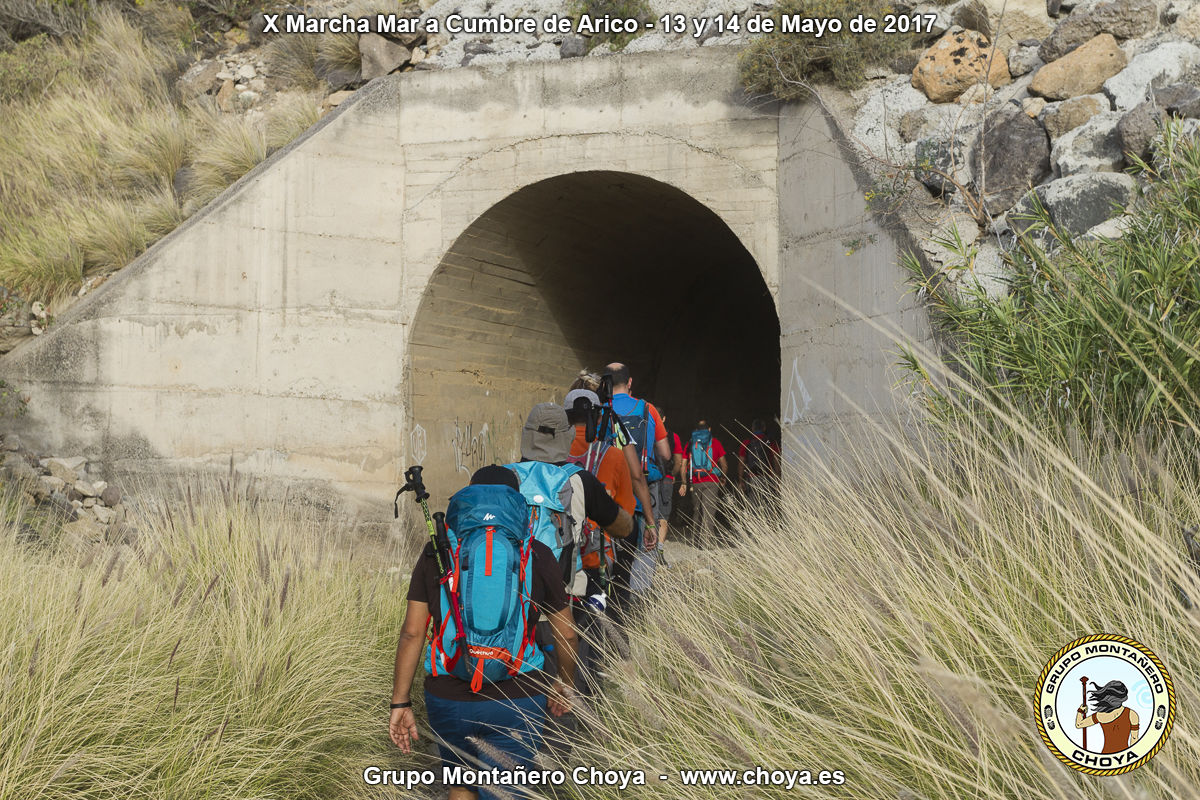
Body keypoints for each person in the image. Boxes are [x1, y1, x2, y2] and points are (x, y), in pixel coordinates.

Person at [388, 466, 578, 800]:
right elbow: (567, 634)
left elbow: (413, 633)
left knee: (460, 785)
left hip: (449, 694)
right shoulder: (536, 552)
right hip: (517, 696)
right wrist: (565, 682)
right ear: (517, 503)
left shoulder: (440, 549)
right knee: (507, 791)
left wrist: (400, 701)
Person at [603, 362, 672, 616]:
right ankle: (638, 611)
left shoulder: (601, 410)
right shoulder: (647, 409)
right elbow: (665, 452)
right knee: (645, 550)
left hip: (610, 490)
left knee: (609, 548)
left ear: (606, 383)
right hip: (644, 489)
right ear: (629, 382)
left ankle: (611, 608)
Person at [680, 419, 727, 545]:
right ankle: (707, 542)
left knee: (697, 510)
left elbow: (683, 464)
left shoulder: (690, 443)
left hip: (695, 481)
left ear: (696, 430)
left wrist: (684, 482)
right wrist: (723, 477)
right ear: (709, 429)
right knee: (709, 511)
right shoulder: (715, 443)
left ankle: (696, 541)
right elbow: (724, 464)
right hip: (712, 481)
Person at [1076, 680, 1140, 753]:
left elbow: (1079, 724)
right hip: (1124, 757)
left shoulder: (1100, 715)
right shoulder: (1132, 714)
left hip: (1105, 755)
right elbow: (1134, 739)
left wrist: (1080, 711)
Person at [737, 419, 781, 504]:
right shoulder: (770, 442)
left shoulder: (747, 442)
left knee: (754, 506)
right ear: (764, 428)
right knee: (768, 506)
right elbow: (776, 461)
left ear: (752, 429)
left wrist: (741, 480)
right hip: (768, 477)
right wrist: (778, 478)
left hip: (751, 478)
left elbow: (741, 463)